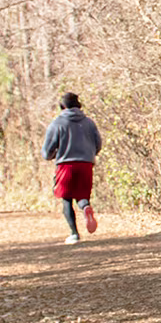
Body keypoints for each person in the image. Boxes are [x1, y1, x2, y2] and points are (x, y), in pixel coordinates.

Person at [42, 92, 101, 244]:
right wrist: (89, 154)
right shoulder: (88, 122)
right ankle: (86, 207)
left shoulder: (57, 123)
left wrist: (54, 155)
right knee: (82, 195)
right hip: (86, 164)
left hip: (65, 165)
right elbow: (98, 143)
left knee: (66, 199)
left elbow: (46, 152)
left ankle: (74, 233)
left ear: (62, 106)